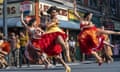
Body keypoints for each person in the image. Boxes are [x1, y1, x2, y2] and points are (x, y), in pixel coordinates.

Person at [21, 6, 71, 72]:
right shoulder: (45, 19)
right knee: (56, 55)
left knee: (62, 42)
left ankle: (67, 55)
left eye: (55, 12)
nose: (55, 13)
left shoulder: (54, 18)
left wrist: (45, 27)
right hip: (48, 36)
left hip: (55, 32)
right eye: (53, 12)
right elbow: (45, 23)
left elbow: (48, 25)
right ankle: (65, 66)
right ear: (50, 13)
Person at [73, 0, 120, 66]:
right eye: (90, 16)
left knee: (104, 31)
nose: (91, 17)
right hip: (85, 36)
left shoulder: (91, 22)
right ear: (88, 15)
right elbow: (75, 13)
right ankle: (99, 59)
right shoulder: (82, 19)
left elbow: (92, 27)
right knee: (89, 50)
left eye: (91, 16)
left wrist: (89, 26)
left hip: (92, 32)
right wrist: (74, 6)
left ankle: (117, 33)